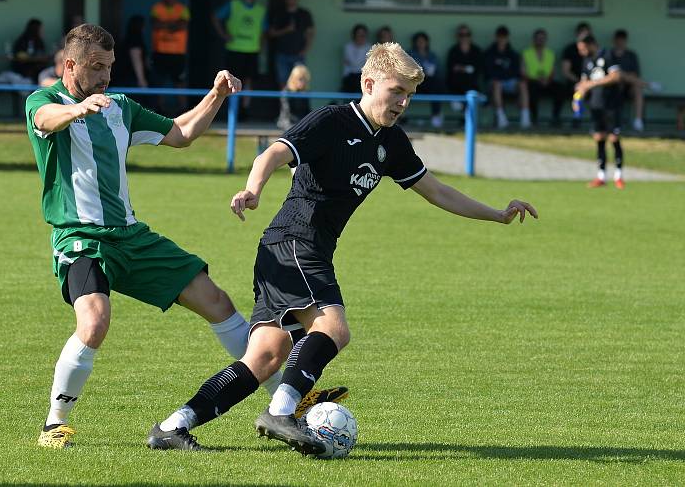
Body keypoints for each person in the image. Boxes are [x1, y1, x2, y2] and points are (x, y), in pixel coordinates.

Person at [147, 42, 537, 453]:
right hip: (294, 245)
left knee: (264, 357)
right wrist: (252, 189)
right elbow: (273, 153)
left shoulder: (392, 142)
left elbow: (436, 191)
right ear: (368, 83)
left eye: (408, 95)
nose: (403, 102)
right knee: (333, 327)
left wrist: (496, 214)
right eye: (396, 91)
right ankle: (281, 413)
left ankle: (173, 427)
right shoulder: (333, 121)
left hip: (294, 252)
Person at [26, 24, 343, 450]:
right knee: (95, 321)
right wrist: (77, 111)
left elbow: (182, 133)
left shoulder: (119, 106)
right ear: (70, 64)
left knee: (218, 302)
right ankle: (54, 424)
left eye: (109, 67)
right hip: (80, 238)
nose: (105, 76)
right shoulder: (45, 101)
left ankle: (291, 402)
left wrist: (216, 95)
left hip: (131, 237)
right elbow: (45, 120)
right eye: (96, 67)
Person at [573, 34, 625, 189]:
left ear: (590, 44)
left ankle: (619, 176)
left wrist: (592, 83)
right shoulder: (586, 61)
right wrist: (577, 99)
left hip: (611, 104)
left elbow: (616, 76)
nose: (581, 52)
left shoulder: (608, 55)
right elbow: (583, 84)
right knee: (599, 138)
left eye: (583, 48)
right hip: (596, 105)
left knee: (614, 138)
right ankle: (601, 176)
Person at [212, 0, 267, 115]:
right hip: (234, 49)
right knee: (231, 81)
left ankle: (244, 110)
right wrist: (224, 35)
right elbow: (215, 17)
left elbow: (264, 30)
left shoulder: (260, 9)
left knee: (249, 82)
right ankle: (232, 111)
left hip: (252, 50)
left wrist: (260, 44)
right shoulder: (233, 4)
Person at [150, 0, 190, 112]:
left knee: (179, 82)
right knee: (159, 81)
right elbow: (155, 24)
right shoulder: (157, 8)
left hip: (178, 53)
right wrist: (174, 23)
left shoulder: (183, 9)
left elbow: (183, 25)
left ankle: (183, 109)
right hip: (160, 51)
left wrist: (165, 24)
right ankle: (159, 109)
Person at [483, 25, 528, 129]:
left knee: (522, 84)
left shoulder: (512, 54)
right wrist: (502, 75)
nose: (502, 39)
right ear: (496, 37)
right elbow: (489, 72)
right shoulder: (489, 53)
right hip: (494, 84)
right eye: (500, 36)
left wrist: (504, 75)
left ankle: (525, 118)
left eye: (504, 37)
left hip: (509, 82)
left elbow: (515, 72)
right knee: (497, 83)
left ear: (507, 38)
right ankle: (501, 118)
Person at [268, 0, 315, 88]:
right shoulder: (279, 13)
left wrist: (305, 50)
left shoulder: (304, 14)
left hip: (298, 54)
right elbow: (271, 33)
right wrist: (286, 30)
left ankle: (298, 104)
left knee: (301, 82)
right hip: (282, 54)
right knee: (283, 82)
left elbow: (310, 33)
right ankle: (284, 104)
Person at [611, 29, 655, 132]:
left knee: (637, 87)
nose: (620, 43)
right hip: (613, 85)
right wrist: (621, 76)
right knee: (617, 80)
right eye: (618, 40)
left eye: (622, 40)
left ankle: (638, 120)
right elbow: (610, 74)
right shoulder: (609, 54)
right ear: (614, 40)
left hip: (629, 85)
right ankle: (649, 85)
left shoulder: (631, 55)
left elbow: (635, 74)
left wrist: (623, 76)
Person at [521, 28, 564, 128]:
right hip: (532, 81)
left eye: (542, 38)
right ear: (534, 40)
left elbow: (552, 71)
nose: (540, 41)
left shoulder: (550, 53)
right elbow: (523, 71)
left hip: (547, 82)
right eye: (538, 38)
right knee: (531, 89)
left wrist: (547, 80)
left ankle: (555, 117)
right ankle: (534, 117)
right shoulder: (527, 53)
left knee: (560, 88)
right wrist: (537, 79)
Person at [407, 32, 443, 128]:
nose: (421, 43)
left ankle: (436, 115)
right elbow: (407, 71)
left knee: (437, 84)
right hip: (415, 84)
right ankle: (401, 117)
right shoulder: (409, 54)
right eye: (419, 41)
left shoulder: (432, 55)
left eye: (423, 41)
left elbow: (438, 71)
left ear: (427, 43)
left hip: (430, 83)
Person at [561, 22, 591, 128]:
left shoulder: (595, 51)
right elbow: (566, 71)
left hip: (592, 83)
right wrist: (579, 81)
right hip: (576, 82)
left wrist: (589, 82)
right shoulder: (569, 50)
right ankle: (577, 116)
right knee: (579, 91)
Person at [446, 24, 482, 111]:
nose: (464, 37)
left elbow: (478, 69)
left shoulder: (476, 51)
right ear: (457, 37)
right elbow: (451, 69)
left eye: (467, 34)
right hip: (455, 88)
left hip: (472, 87)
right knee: (456, 106)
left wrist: (460, 68)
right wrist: (466, 69)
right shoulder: (453, 51)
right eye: (461, 35)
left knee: (475, 101)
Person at [114, 15, 150, 89]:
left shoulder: (127, 39)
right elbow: (136, 59)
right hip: (130, 79)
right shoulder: (135, 40)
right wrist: (141, 80)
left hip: (124, 77)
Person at [277, 64, 311, 132]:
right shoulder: (286, 92)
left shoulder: (305, 92)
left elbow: (307, 111)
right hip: (287, 121)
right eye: (300, 79)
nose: (303, 82)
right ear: (294, 78)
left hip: (301, 121)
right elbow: (287, 112)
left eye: (305, 79)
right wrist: (302, 123)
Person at [341, 24, 368, 94]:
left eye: (363, 35)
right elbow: (355, 63)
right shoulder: (348, 47)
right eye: (359, 34)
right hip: (349, 78)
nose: (361, 37)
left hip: (363, 77)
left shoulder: (369, 47)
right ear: (354, 35)